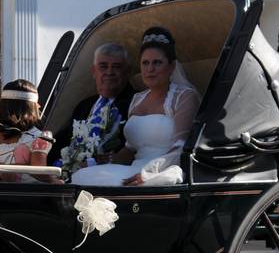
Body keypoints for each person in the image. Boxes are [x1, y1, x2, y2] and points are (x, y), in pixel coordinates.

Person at [72, 27, 200, 187]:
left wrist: (150, 172)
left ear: (172, 66)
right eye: (145, 63)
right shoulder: (137, 99)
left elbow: (181, 147)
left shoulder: (184, 97)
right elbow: (129, 150)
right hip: (134, 169)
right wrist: (97, 162)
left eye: (157, 63)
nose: (150, 69)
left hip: (163, 169)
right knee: (81, 176)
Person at [48, 42, 134, 166]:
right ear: (94, 71)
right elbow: (64, 140)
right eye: (103, 66)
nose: (109, 72)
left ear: (127, 72)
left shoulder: (135, 103)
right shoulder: (84, 106)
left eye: (116, 67)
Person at [0, 79, 59, 183]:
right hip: (24, 196)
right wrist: (56, 182)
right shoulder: (39, 138)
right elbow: (39, 172)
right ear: (33, 107)